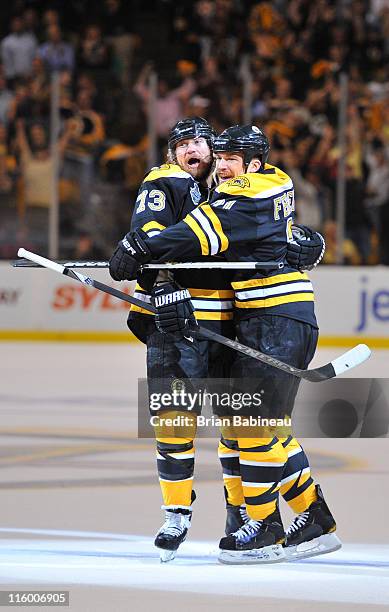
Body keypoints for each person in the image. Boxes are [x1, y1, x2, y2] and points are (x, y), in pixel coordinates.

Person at [109, 124, 339, 565]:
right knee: (245, 426)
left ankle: (265, 526)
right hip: (244, 322)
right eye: (182, 145)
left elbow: (208, 231)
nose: (198, 153)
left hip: (269, 319)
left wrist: (144, 247)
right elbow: (249, 232)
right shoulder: (177, 183)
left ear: (248, 162)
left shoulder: (239, 189)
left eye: (207, 146)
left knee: (253, 427)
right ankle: (298, 517)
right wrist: (159, 279)